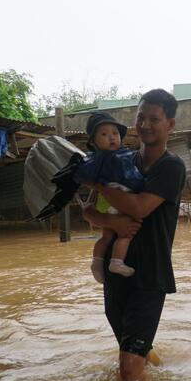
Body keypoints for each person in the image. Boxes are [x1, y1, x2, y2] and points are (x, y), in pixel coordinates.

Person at [82, 89, 186, 381]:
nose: (145, 124)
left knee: (128, 370)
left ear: (170, 124)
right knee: (129, 349)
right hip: (116, 271)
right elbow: (88, 211)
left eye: (154, 118)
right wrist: (111, 223)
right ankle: (154, 376)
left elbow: (139, 207)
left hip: (150, 276)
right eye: (140, 117)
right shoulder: (118, 159)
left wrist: (96, 181)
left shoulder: (171, 167)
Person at [80, 112, 145, 283]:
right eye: (104, 134)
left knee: (107, 236)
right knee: (125, 235)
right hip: (120, 202)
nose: (111, 137)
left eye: (115, 133)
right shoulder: (121, 157)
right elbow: (133, 179)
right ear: (93, 142)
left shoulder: (92, 161)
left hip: (103, 203)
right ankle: (117, 262)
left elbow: (92, 189)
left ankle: (96, 262)